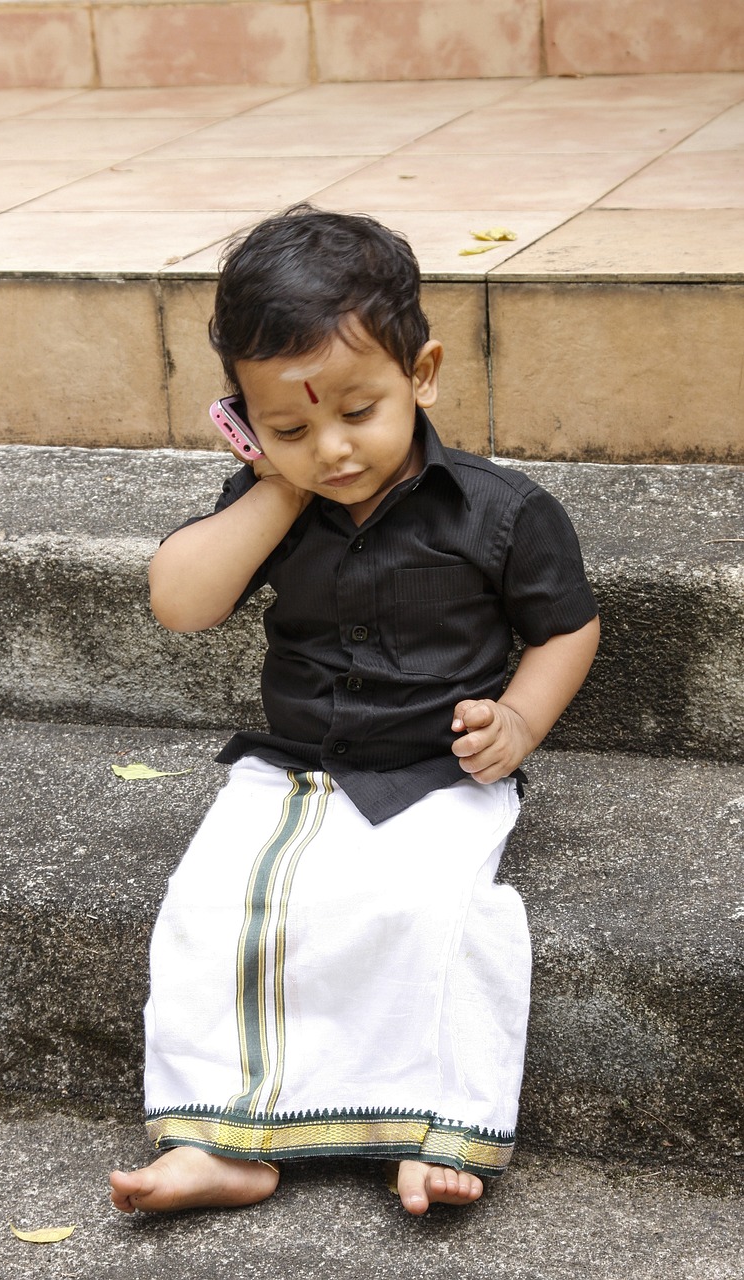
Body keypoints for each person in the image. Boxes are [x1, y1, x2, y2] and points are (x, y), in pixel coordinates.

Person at [110, 205, 599, 1218]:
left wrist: (518, 719)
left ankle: (431, 1126)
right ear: (243, 420)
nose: (330, 449)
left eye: (356, 412)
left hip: (438, 766)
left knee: (434, 912)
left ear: (419, 375)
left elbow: (567, 628)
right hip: (294, 762)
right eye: (290, 426)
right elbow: (179, 600)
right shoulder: (274, 501)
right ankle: (219, 1132)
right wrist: (271, 487)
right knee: (215, 902)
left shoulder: (499, 511)